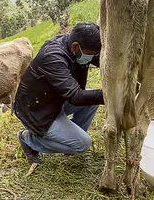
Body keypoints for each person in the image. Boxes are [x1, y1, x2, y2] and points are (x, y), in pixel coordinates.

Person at [13, 22, 104, 164]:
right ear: (75, 47)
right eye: (91, 54)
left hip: (57, 99)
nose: (92, 57)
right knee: (83, 144)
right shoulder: (53, 57)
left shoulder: (77, 47)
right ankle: (28, 139)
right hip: (37, 109)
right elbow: (75, 96)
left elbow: (103, 61)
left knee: (92, 102)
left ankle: (68, 142)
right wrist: (112, 95)